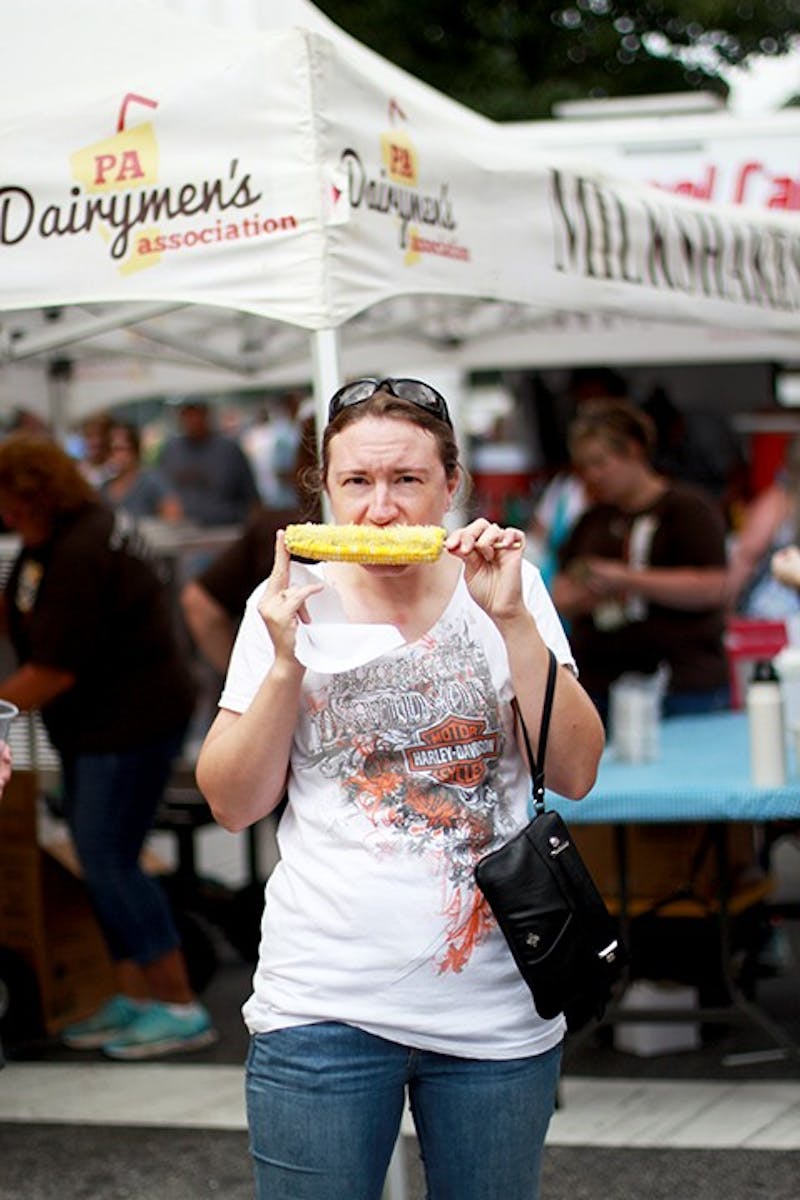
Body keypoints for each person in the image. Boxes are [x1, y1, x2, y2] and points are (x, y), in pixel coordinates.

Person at [195, 377, 605, 1200]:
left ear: (452, 486)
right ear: (324, 489)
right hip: (323, 1002)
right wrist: (285, 659)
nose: (381, 510)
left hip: (495, 1005)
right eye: (357, 483)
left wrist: (514, 623)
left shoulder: (510, 591)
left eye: (407, 481)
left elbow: (575, 772)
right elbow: (234, 802)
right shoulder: (284, 605)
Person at [0, 433, 216, 1060]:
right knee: (105, 860)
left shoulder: (81, 549)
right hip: (103, 725)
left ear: (36, 492)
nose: (6, 513)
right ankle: (135, 996)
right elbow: (28, 616)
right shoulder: (56, 542)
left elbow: (54, 669)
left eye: (12, 499)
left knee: (110, 860)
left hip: (128, 726)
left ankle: (178, 1004)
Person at [551, 399, 730, 722]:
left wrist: (627, 579)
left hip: (683, 684)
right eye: (585, 466)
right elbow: (560, 595)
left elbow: (713, 587)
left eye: (600, 463)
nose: (592, 475)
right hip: (601, 684)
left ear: (633, 451)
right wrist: (594, 593)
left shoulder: (688, 509)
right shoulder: (591, 520)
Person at [725, 436, 800, 621]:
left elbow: (745, 559)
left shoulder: (776, 503)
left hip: (775, 614)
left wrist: (725, 610)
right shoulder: (780, 502)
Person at [157, 398, 260, 527]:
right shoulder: (171, 450)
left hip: (225, 527)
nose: (192, 420)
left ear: (206, 414)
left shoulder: (228, 450)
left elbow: (251, 497)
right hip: (183, 530)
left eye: (196, 413)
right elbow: (161, 493)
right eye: (187, 414)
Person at [101, 421, 183, 522]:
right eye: (109, 449)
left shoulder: (153, 481)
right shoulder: (104, 489)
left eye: (120, 448)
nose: (114, 455)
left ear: (135, 449)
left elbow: (174, 515)